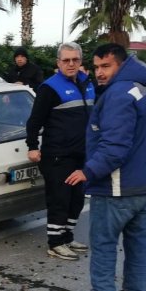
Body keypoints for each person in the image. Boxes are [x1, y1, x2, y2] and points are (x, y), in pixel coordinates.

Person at [66, 43, 146, 291]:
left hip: (119, 187)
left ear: (121, 65)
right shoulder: (140, 88)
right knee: (138, 243)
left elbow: (115, 147)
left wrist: (88, 172)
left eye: (106, 66)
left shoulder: (118, 95)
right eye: (97, 67)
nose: (99, 73)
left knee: (103, 242)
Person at [25, 41, 94, 260]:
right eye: (66, 60)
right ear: (58, 62)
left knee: (77, 199)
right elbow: (34, 121)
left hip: (82, 154)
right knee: (59, 199)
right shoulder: (50, 88)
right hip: (57, 155)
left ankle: (67, 237)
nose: (71, 64)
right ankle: (55, 243)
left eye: (75, 60)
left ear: (81, 61)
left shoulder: (87, 84)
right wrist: (32, 146)